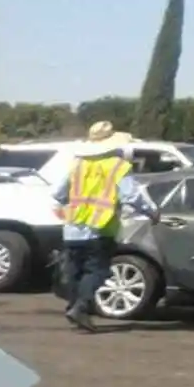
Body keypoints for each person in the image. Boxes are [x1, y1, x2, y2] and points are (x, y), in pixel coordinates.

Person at [53, 121, 157, 331]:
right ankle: (80, 308)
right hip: (101, 227)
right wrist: (152, 211)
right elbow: (131, 195)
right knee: (97, 271)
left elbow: (59, 194)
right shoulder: (117, 166)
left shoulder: (78, 165)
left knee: (75, 271)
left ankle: (74, 307)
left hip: (73, 227)